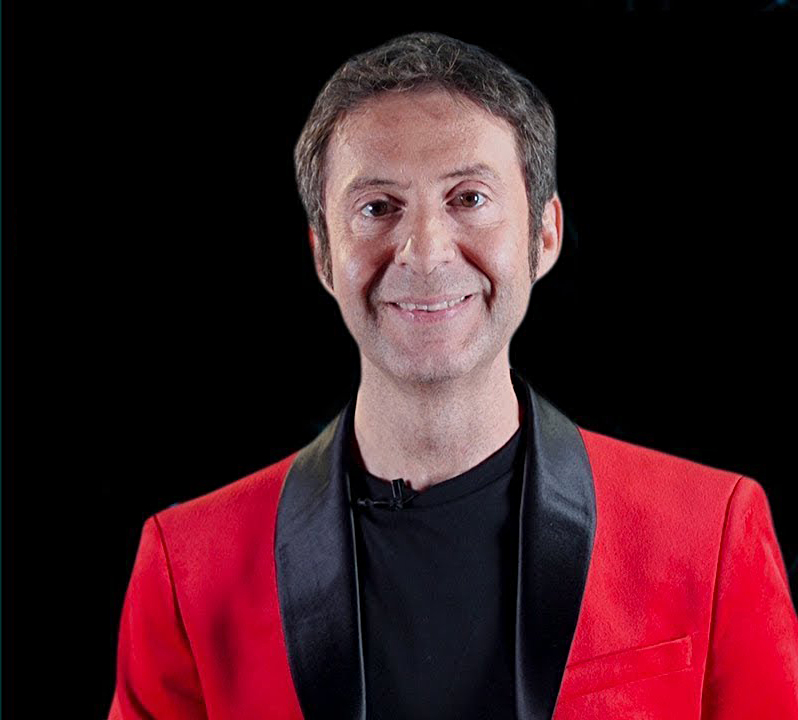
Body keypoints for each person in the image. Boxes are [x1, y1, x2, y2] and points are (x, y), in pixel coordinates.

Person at [107, 32, 798, 720]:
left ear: (546, 234)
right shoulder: (185, 568)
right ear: (323, 256)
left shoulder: (711, 533)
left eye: (469, 198)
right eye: (377, 207)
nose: (426, 252)